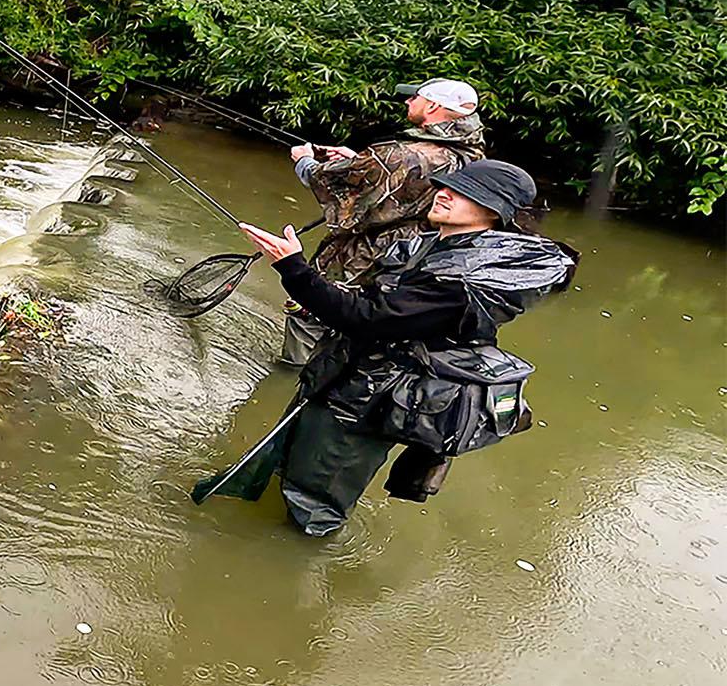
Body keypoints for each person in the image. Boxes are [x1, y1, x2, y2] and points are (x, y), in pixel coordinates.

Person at [201, 160, 574, 536]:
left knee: (315, 503)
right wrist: (315, 294)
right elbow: (377, 303)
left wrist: (294, 269)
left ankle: (296, 560)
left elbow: (371, 319)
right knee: (293, 460)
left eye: (464, 193)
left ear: (494, 211)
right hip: (344, 375)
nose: (445, 193)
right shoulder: (436, 245)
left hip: (366, 403)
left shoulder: (466, 278)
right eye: (446, 186)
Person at [279, 77, 489, 366]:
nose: (408, 101)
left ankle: (290, 375)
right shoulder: (474, 156)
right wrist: (359, 161)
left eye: (414, 97)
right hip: (414, 269)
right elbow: (408, 187)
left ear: (432, 106)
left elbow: (332, 186)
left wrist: (305, 160)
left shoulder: (399, 154)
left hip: (365, 262)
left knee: (313, 315)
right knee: (367, 337)